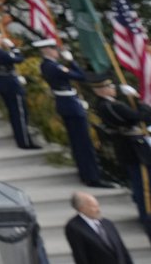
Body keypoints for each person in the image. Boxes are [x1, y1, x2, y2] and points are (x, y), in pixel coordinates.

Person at [38, 40, 111, 188]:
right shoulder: (54, 66)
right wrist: (71, 61)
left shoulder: (46, 65)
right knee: (84, 143)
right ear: (46, 50)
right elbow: (81, 76)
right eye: (54, 49)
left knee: (78, 143)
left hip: (66, 103)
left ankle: (87, 173)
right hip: (71, 105)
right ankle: (93, 176)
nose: (57, 52)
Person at [88, 74, 151, 242]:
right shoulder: (112, 106)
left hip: (129, 148)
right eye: (109, 87)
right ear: (101, 90)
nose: (113, 89)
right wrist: (138, 99)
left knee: (140, 184)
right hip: (135, 150)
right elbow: (143, 116)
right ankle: (146, 216)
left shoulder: (105, 105)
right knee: (143, 185)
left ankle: (145, 214)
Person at [0, 29, 38, 149]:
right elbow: (19, 59)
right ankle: (24, 142)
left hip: (2, 83)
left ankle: (21, 139)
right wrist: (13, 47)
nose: (1, 39)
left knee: (14, 113)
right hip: (11, 84)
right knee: (20, 113)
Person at [65, 191, 134, 264]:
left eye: (97, 206)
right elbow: (80, 256)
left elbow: (122, 250)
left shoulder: (107, 223)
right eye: (94, 207)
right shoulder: (74, 227)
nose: (98, 210)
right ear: (82, 208)